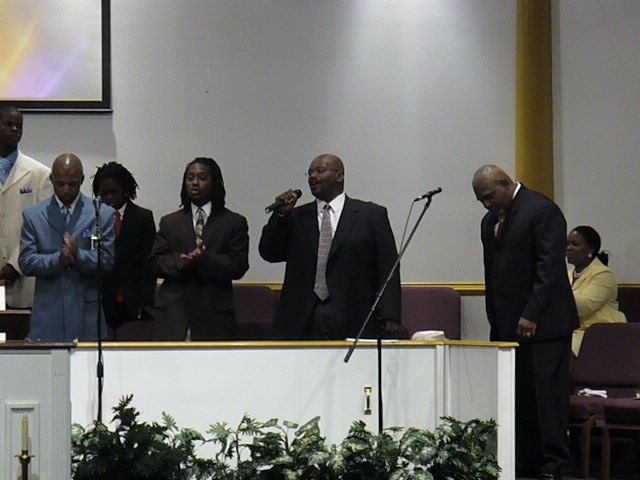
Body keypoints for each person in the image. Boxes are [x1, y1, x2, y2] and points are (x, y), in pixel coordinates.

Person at [472, 164, 578, 480]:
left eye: (489, 196)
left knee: (547, 399)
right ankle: (524, 461)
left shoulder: (542, 210)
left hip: (545, 326)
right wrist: (494, 318)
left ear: (506, 183)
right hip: (507, 328)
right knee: (518, 399)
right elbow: (493, 274)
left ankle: (554, 464)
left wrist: (531, 313)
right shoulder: (489, 222)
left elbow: (549, 269)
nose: (487, 205)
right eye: (481, 200)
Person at [259, 153, 401, 340]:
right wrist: (281, 216)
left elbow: (388, 265)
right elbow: (270, 253)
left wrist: (391, 314)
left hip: (354, 314)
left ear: (339, 176)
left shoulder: (371, 215)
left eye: (320, 171)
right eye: (309, 173)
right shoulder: (296, 217)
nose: (313, 177)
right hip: (302, 317)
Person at [149, 157, 249, 341]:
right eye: (190, 178)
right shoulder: (169, 222)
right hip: (174, 316)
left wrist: (206, 259)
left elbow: (238, 265)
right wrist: (182, 260)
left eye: (202, 178)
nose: (195, 183)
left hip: (214, 317)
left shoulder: (234, 222)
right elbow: (156, 262)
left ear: (215, 183)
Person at [19, 153, 115, 342]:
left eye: (72, 184)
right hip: (48, 318)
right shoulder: (34, 216)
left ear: (81, 179)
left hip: (87, 317)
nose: (66, 190)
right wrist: (58, 259)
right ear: (51, 180)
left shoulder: (101, 214)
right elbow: (26, 262)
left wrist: (79, 255)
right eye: (60, 184)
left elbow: (107, 261)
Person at [92, 162, 156, 331]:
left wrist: (146, 302)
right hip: (102, 298)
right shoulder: (93, 218)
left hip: (133, 299)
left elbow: (148, 264)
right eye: (104, 193)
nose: (109, 198)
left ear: (125, 190)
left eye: (114, 192)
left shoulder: (143, 218)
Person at [0, 105, 53, 308]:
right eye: (8, 124)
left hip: (25, 281)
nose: (14, 130)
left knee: (22, 336)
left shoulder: (40, 174)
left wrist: (14, 265)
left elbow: (42, 227)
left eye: (19, 126)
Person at [566, 225, 627, 356]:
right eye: (567, 244)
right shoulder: (568, 275)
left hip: (597, 333)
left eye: (575, 244)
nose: (568, 248)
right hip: (572, 331)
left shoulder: (603, 274)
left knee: (558, 353)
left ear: (591, 249)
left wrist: (555, 293)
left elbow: (585, 306)